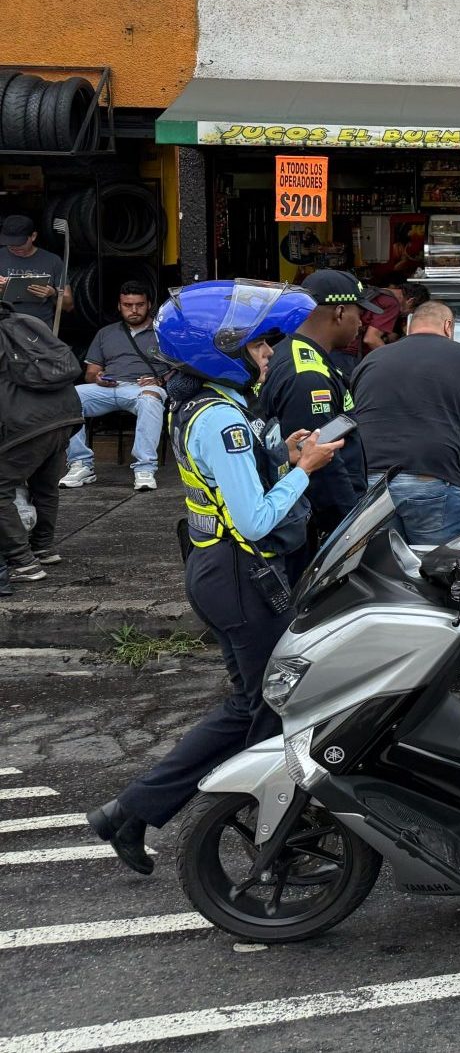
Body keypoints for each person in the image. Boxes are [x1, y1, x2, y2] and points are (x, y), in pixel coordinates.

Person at [87, 281, 344, 875]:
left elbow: (237, 483)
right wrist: (302, 471)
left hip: (222, 570)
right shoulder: (220, 419)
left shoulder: (211, 405)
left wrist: (283, 454)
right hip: (240, 572)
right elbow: (254, 518)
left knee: (251, 708)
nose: (267, 354)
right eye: (257, 346)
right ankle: (275, 845)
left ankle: (132, 811)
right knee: (274, 709)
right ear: (219, 352)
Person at [351, 301, 460, 546]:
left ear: (411, 326)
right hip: (431, 477)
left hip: (370, 482)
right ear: (448, 325)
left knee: (383, 570)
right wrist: (456, 469)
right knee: (439, 568)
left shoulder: (372, 360)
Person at [254, 269, 370, 547]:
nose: (362, 322)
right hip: (308, 524)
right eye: (359, 313)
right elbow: (321, 462)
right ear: (340, 312)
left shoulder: (291, 352)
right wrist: (350, 528)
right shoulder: (307, 375)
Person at [0, 304, 83, 585]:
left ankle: (23, 562)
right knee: (45, 486)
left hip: (27, 422)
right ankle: (43, 547)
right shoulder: (27, 320)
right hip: (65, 413)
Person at [60, 281, 168, 491]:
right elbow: (91, 372)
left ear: (149, 305)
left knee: (150, 399)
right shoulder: (106, 333)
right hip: (108, 387)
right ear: (119, 306)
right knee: (68, 396)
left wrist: (161, 380)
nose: (134, 310)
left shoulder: (163, 331)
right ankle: (81, 464)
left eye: (139, 304)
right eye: (128, 305)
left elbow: (181, 368)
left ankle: (144, 468)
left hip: (143, 387)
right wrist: (98, 378)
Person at [0, 214, 73, 328]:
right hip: (4, 328)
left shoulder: (52, 261)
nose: (14, 247)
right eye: (10, 243)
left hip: (39, 330)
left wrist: (52, 294)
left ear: (33, 236)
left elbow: (68, 305)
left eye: (20, 242)